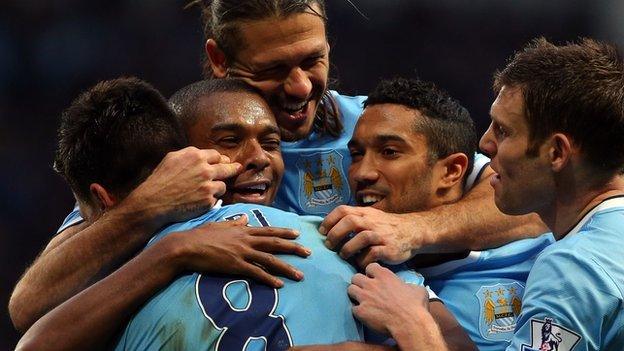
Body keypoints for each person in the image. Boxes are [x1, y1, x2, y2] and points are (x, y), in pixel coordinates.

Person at [9, 0, 543, 333]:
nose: (300, 87)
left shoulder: (374, 130)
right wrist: (145, 210)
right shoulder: (175, 147)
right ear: (219, 60)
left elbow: (541, 205)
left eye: (313, 60)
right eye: (272, 69)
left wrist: (411, 228)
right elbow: (31, 305)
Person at [17, 78, 473, 350]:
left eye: (271, 144)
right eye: (230, 141)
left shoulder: (342, 239)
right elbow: (31, 332)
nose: (257, 158)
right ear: (180, 159)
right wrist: (172, 251)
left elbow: (452, 343)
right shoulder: (127, 248)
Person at [344, 38, 624, 351]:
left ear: (556, 152)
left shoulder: (574, 268)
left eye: (504, 131)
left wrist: (412, 323)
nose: (485, 143)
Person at [292, 77, 553, 351]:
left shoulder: (550, 260)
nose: (361, 173)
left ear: (452, 171)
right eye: (356, 154)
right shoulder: (352, 267)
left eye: (389, 152)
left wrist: (412, 326)